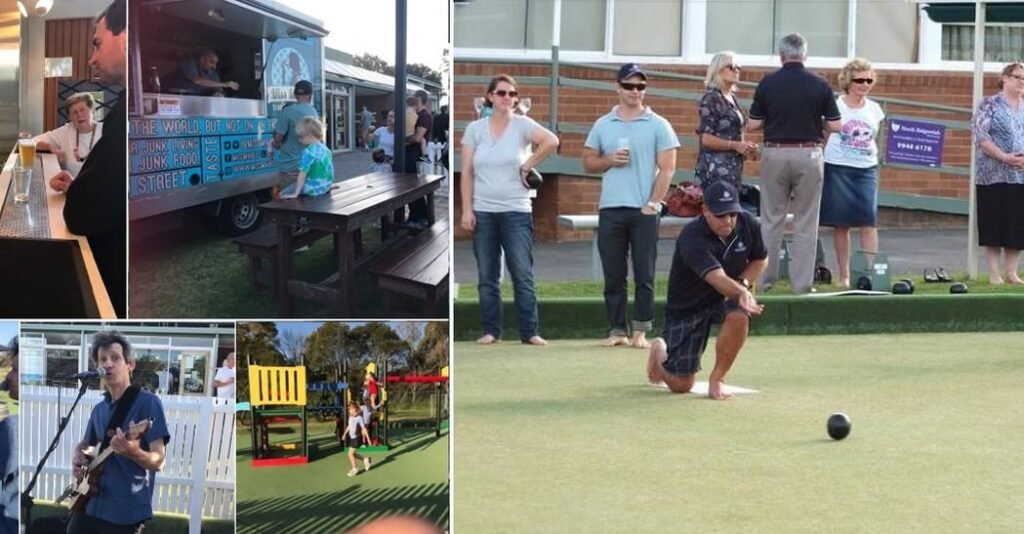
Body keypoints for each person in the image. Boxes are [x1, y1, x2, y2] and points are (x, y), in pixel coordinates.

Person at [582, 63, 679, 349]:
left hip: (643, 210)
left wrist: (653, 204)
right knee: (613, 274)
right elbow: (587, 162)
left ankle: (641, 331)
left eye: (640, 86)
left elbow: (668, 168)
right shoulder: (603, 124)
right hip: (611, 207)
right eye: (629, 86)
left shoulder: (658, 124)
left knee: (644, 274)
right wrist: (609, 160)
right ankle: (616, 330)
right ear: (618, 88)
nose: (635, 91)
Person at [646, 181, 768, 400]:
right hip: (689, 306)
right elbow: (717, 278)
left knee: (739, 315)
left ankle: (718, 378)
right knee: (681, 385)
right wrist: (741, 292)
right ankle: (658, 354)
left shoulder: (748, 224)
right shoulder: (692, 236)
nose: (728, 220)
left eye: (733, 213)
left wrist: (744, 283)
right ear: (705, 210)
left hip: (725, 295)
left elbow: (761, 259)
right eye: (721, 215)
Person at [461, 74, 559, 346]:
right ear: (490, 96)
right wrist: (467, 210)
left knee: (522, 272)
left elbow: (551, 141)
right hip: (483, 211)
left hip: (516, 210)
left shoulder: (523, 125)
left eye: (512, 94)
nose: (507, 98)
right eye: (502, 93)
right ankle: (491, 330)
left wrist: (527, 165)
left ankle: (530, 332)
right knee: (487, 276)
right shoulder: (475, 129)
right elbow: (467, 173)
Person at [48, 0, 128, 317]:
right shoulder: (117, 113)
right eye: (75, 111)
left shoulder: (120, 118)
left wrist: (79, 192)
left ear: (124, 37)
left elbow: (84, 215)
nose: (92, 58)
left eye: (97, 44)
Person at [747, 33, 841, 295]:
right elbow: (835, 124)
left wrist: (775, 119)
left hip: (775, 153)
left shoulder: (767, 83)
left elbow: (753, 123)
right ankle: (801, 285)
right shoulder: (820, 84)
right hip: (808, 154)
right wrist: (813, 121)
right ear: (805, 55)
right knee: (806, 221)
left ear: (781, 56)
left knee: (771, 219)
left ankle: (764, 282)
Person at [68, 330, 170, 534]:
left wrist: (135, 453)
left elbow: (159, 461)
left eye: (115, 358)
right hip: (90, 502)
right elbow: (88, 444)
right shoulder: (100, 409)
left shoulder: (148, 403)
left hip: (125, 513)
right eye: (102, 359)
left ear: (130, 364)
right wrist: (78, 454)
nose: (108, 364)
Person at [821, 58, 886, 288]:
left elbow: (873, 138)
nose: (865, 84)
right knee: (842, 223)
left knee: (869, 221)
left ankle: (869, 273)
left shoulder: (875, 109)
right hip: (838, 166)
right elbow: (825, 136)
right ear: (848, 81)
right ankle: (844, 275)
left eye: (869, 80)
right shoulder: (836, 106)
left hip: (866, 168)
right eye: (860, 80)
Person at [971, 61, 1024, 284]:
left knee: (1017, 224)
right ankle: (994, 274)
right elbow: (981, 137)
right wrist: (1004, 157)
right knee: (994, 223)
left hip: (1020, 175)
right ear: (1004, 78)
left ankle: (1012, 273)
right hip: (992, 174)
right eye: (1017, 77)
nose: (1021, 81)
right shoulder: (989, 104)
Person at [695, 51, 757, 189]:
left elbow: (735, 133)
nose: (737, 71)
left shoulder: (732, 98)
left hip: (733, 168)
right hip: (715, 170)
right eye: (732, 67)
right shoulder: (712, 98)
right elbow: (706, 139)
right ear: (718, 68)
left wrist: (745, 148)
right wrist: (736, 145)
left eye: (739, 68)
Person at [36, 93, 104, 179]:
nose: (79, 115)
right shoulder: (66, 131)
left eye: (82, 110)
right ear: (70, 118)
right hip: (71, 188)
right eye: (74, 112)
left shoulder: (106, 129)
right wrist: (50, 147)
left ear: (93, 111)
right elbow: (31, 142)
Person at [272, 80, 319, 189]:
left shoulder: (288, 111)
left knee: (288, 202)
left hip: (290, 167)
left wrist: (275, 144)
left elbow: (278, 138)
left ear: (295, 95)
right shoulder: (314, 112)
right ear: (310, 95)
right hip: (308, 166)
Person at [398, 90, 433, 225]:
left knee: (413, 187)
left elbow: (417, 137)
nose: (413, 104)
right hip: (408, 154)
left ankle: (420, 217)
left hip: (415, 155)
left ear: (421, 100)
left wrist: (403, 140)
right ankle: (414, 216)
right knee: (407, 186)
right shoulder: (413, 115)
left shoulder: (425, 116)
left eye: (415, 101)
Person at [279, 117, 335, 199]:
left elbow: (302, 175)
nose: (299, 140)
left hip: (312, 189)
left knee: (282, 194)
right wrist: (328, 185)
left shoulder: (308, 152)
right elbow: (329, 170)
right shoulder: (326, 149)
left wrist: (295, 193)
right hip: (325, 186)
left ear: (309, 136)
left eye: (301, 137)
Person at [343, 403, 371, 477]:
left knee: (350, 454)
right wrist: (344, 433)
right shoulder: (350, 417)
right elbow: (349, 426)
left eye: (350, 409)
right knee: (353, 454)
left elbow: (363, 428)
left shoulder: (359, 418)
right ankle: (365, 459)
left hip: (357, 438)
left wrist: (368, 439)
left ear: (355, 409)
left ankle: (354, 469)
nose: (349, 411)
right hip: (352, 438)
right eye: (349, 409)